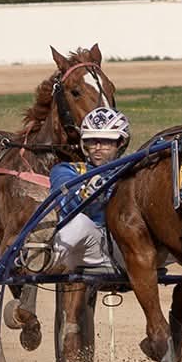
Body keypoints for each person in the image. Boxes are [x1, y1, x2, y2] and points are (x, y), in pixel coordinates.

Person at [47, 106, 132, 273]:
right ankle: (44, 263)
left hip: (128, 249)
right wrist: (85, 194)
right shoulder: (67, 170)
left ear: (120, 143)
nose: (98, 147)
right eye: (92, 141)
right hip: (88, 250)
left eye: (106, 141)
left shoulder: (133, 169)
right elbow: (64, 205)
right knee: (79, 222)